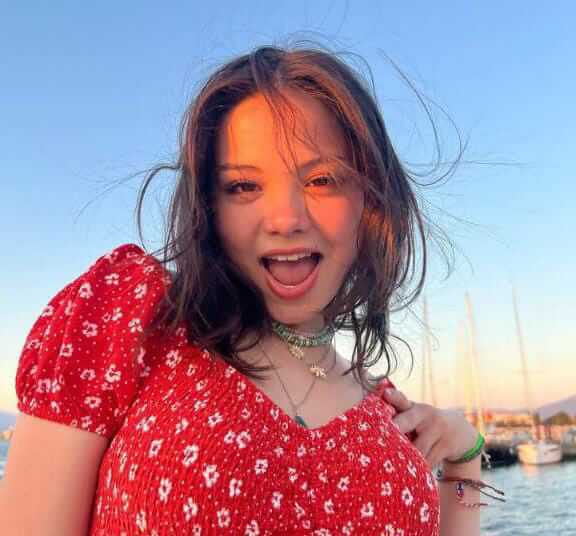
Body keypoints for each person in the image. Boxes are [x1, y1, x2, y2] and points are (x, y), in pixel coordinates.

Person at [0, 44, 503, 535]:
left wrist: (465, 455)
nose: (284, 219)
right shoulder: (133, 323)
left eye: (322, 180)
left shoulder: (389, 413)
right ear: (208, 208)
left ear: (371, 201)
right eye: (243, 186)